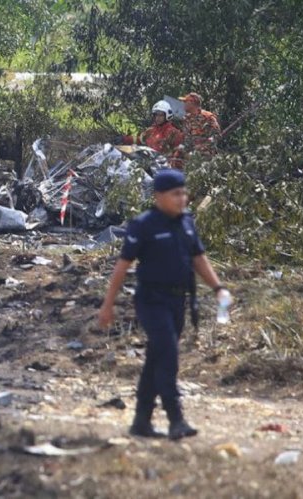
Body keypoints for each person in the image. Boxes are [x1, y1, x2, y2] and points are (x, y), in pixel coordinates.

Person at [98, 169, 232, 440]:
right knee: (168, 357)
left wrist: (218, 288)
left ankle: (141, 423)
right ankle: (176, 420)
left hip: (177, 300)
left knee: (155, 360)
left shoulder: (186, 223)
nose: (182, 198)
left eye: (184, 193)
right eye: (175, 194)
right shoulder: (144, 225)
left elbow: (199, 259)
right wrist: (108, 305)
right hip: (151, 300)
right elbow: (122, 267)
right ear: (159, 196)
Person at [118, 100, 184, 169]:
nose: (157, 117)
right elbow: (139, 140)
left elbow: (179, 152)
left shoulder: (173, 132)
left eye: (160, 115)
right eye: (156, 115)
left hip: (163, 167)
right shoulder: (151, 130)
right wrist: (124, 139)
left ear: (167, 115)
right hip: (149, 163)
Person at [179, 92, 221, 157]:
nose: (183, 104)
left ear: (191, 103)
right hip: (191, 156)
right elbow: (186, 138)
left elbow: (216, 135)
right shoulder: (186, 119)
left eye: (185, 102)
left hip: (207, 156)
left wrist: (203, 146)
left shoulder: (208, 117)